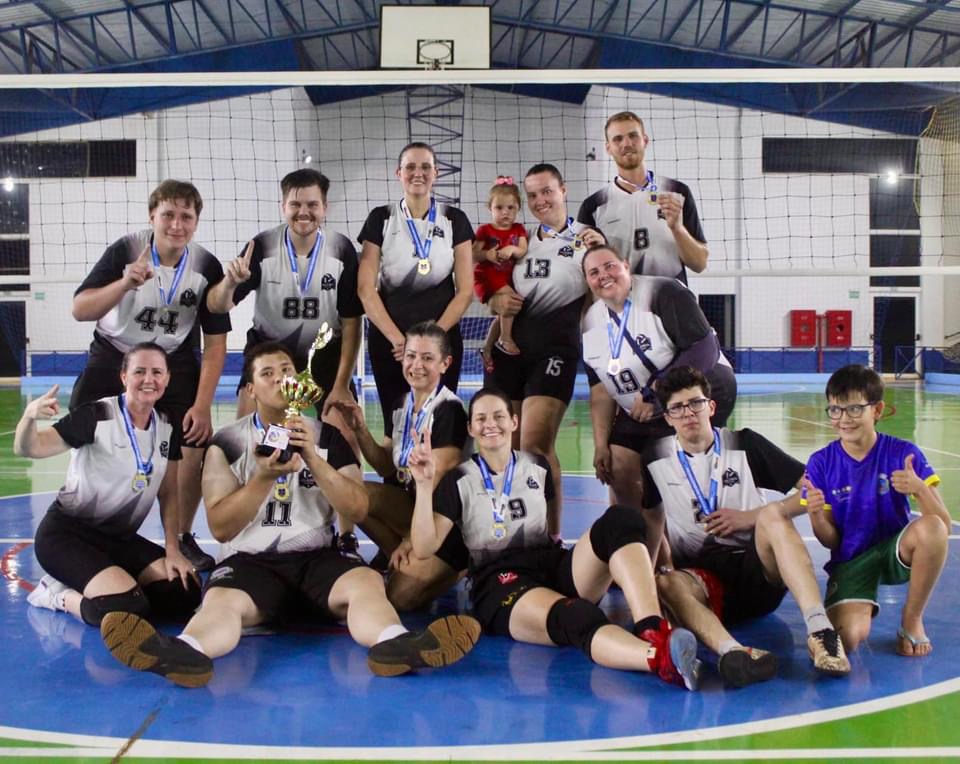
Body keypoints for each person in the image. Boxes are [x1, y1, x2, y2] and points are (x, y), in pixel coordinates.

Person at [97, 342, 481, 687]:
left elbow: (358, 506)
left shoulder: (327, 438)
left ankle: (394, 644)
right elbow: (221, 526)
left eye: (286, 371)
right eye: (268, 373)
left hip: (318, 559)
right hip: (252, 561)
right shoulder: (227, 443)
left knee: (366, 582)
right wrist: (262, 478)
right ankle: (186, 651)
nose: (281, 379)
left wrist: (314, 458)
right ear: (250, 389)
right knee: (222, 603)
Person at [407, 387, 702, 690]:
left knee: (621, 520)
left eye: (498, 416)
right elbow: (424, 547)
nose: (489, 424)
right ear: (471, 428)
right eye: (480, 418)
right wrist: (424, 485)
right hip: (499, 581)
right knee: (576, 615)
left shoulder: (537, 466)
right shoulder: (458, 480)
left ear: (514, 422)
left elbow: (549, 526)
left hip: (550, 563)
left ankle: (651, 629)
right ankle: (658, 658)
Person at [640, 366, 851, 686]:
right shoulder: (655, 456)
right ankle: (734, 654)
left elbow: (813, 490)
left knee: (771, 516)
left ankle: (821, 631)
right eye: (677, 408)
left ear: (710, 406)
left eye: (695, 403)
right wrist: (658, 566)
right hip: (704, 584)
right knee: (666, 583)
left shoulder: (744, 444)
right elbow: (653, 517)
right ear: (668, 418)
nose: (688, 414)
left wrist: (751, 516)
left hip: (758, 571)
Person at [70, 179, 230, 573]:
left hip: (172, 359)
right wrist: (125, 281)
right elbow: (80, 309)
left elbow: (215, 344)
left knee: (192, 442)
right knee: (86, 432)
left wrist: (203, 405)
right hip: (115, 353)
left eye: (186, 217)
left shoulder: (206, 266)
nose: (177, 224)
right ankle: (82, 531)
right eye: (168, 215)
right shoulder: (126, 250)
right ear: (152, 217)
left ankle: (183, 537)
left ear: (196, 221)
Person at [205, 168, 364, 560]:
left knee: (343, 429)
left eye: (312, 204)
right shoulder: (261, 247)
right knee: (244, 431)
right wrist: (229, 282)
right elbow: (217, 306)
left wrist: (342, 383)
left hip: (324, 350)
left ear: (325, 208)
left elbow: (351, 322)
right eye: (295, 204)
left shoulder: (342, 250)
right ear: (283, 206)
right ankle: (245, 521)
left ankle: (345, 536)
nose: (303, 212)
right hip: (268, 350)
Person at [14, 342, 200, 630]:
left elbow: (169, 492)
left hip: (117, 539)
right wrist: (28, 418)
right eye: (139, 371)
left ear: (167, 378)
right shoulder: (96, 416)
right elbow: (30, 448)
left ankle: (113, 581)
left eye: (157, 372)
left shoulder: (166, 426)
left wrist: (173, 549)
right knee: (124, 609)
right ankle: (57, 594)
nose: (149, 379)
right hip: (67, 536)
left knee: (183, 592)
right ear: (124, 377)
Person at [485, 163, 605, 532]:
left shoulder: (587, 238)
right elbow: (506, 297)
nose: (540, 200)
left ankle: (552, 535)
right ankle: (513, 529)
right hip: (511, 352)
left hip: (557, 349)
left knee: (536, 445)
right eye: (532, 194)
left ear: (563, 190)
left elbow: (604, 288)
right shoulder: (518, 240)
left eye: (547, 191)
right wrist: (492, 334)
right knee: (505, 448)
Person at [804, 364, 950, 657]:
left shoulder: (903, 453)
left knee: (931, 528)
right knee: (850, 640)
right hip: (851, 560)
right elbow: (831, 541)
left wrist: (919, 489)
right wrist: (816, 515)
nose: (844, 419)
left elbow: (943, 524)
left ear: (878, 410)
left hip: (896, 551)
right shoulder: (820, 462)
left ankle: (912, 619)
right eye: (835, 410)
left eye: (855, 409)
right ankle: (857, 605)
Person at [583, 245, 736, 520]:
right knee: (618, 467)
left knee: (672, 467)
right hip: (643, 406)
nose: (603, 275)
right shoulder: (590, 324)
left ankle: (700, 534)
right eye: (593, 272)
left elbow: (705, 349)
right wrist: (600, 445)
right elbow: (600, 392)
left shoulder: (664, 292)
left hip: (700, 389)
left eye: (610, 266)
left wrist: (656, 392)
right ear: (587, 282)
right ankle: (639, 538)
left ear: (626, 266)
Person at [329, 321, 470, 611]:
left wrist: (410, 539)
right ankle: (398, 555)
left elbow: (437, 483)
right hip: (412, 508)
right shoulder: (401, 403)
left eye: (427, 358)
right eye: (411, 355)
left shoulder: (449, 411)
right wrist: (359, 429)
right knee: (350, 493)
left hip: (444, 524)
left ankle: (456, 568)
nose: (416, 365)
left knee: (398, 598)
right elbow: (386, 467)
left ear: (445, 364)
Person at [358, 142, 474, 425]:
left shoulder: (454, 219)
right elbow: (365, 289)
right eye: (410, 166)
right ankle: (394, 473)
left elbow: (466, 290)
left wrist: (433, 339)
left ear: (436, 173)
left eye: (425, 167)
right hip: (391, 344)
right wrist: (401, 342)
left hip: (441, 342)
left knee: (441, 423)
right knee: (395, 424)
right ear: (399, 173)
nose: (417, 173)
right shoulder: (381, 218)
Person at [578, 111, 708, 283]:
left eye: (633, 136)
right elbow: (586, 272)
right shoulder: (593, 206)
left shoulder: (677, 192)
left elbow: (699, 264)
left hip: (671, 303)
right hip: (620, 304)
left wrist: (677, 228)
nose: (627, 143)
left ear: (645, 141)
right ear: (608, 148)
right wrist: (602, 249)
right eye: (618, 139)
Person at [472, 176, 529, 370]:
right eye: (499, 208)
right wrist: (487, 254)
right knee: (511, 301)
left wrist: (512, 250)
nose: (505, 212)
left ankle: (487, 348)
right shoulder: (485, 230)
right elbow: (473, 255)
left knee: (504, 312)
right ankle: (505, 339)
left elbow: (522, 250)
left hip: (505, 277)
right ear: (490, 208)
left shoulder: (519, 229)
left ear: (518, 209)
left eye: (511, 208)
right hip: (487, 276)